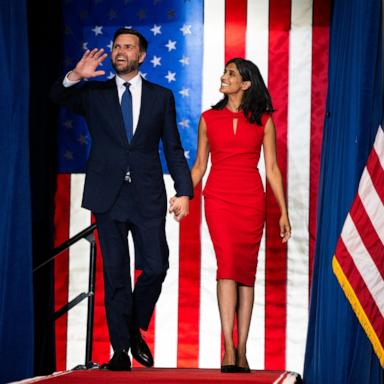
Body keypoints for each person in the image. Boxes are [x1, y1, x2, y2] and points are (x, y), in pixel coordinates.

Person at [51, 28, 193, 371]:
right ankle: (119, 351)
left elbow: (172, 148)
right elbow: (56, 97)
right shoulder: (95, 93)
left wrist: (184, 190)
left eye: (128, 47)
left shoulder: (161, 96)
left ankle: (132, 326)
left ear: (141, 56)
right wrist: (73, 76)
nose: (120, 51)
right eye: (117, 46)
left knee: (156, 266)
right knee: (115, 275)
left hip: (147, 196)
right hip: (107, 196)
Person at [171, 58, 291, 373]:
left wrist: (283, 212)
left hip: (252, 201)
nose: (224, 77)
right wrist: (184, 193)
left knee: (245, 273)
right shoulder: (208, 118)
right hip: (219, 199)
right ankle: (227, 346)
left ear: (246, 84)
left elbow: (273, 169)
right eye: (225, 72)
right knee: (226, 266)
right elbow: (199, 166)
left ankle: (242, 349)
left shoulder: (264, 120)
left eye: (231, 73)